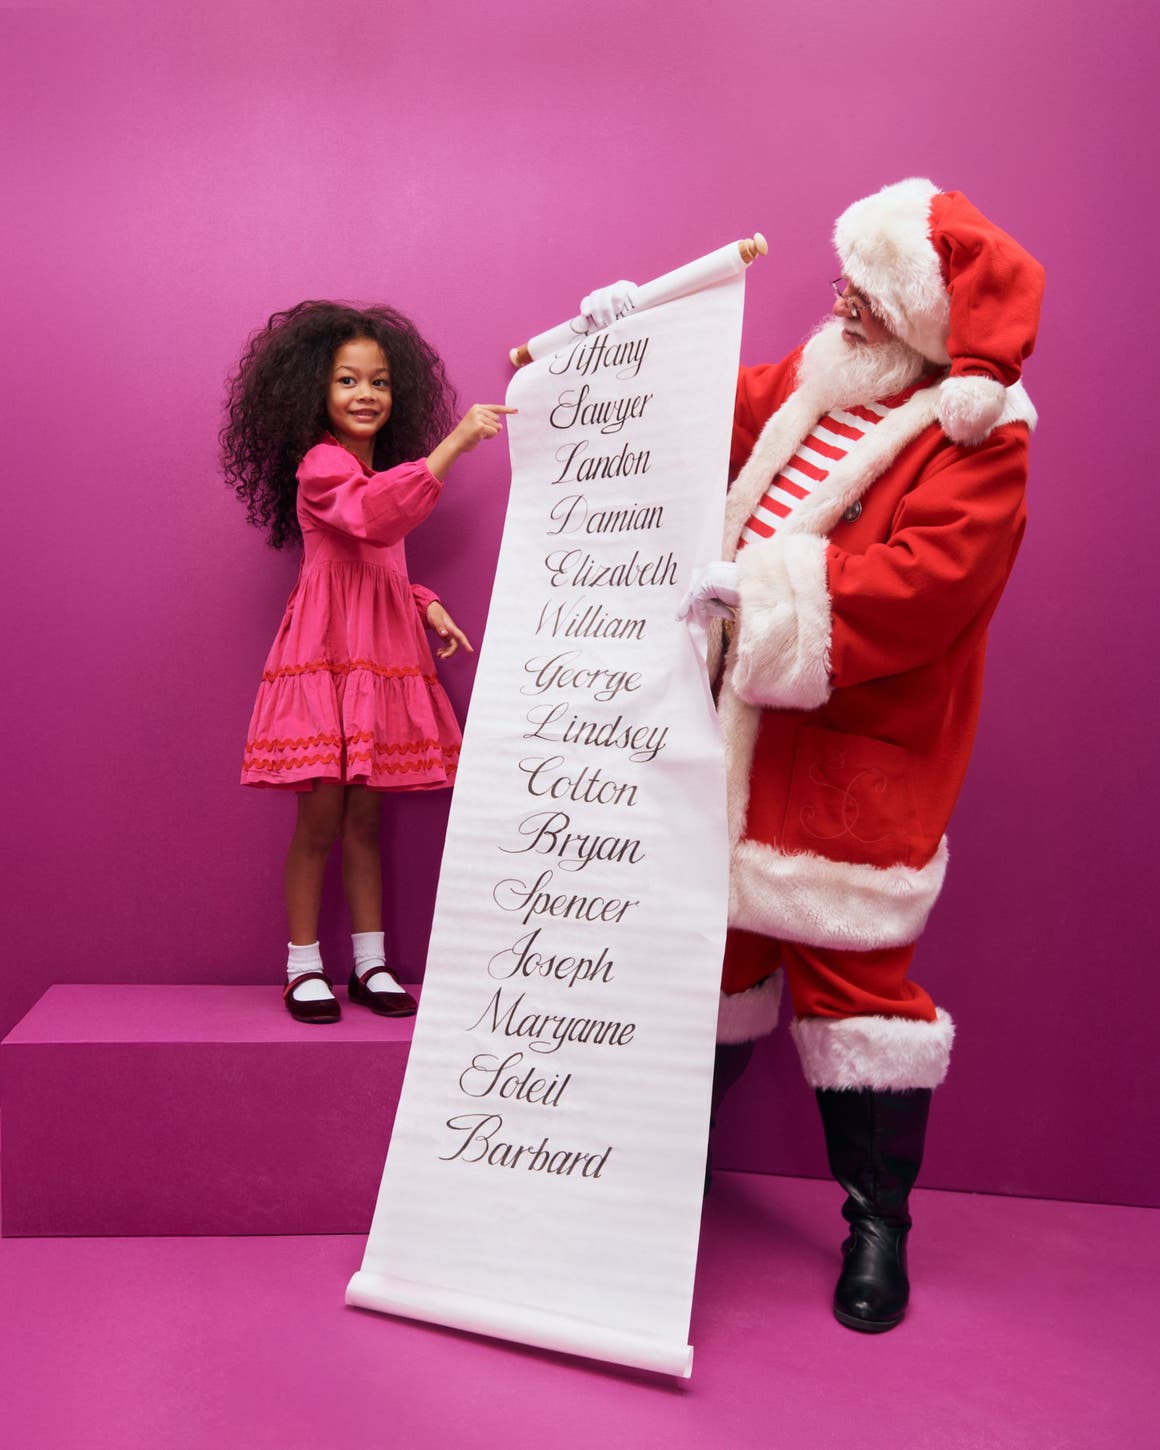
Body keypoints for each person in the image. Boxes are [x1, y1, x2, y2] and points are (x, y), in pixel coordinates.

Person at [584, 179, 1044, 1332]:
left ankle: (875, 1224)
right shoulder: (820, 376)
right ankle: (656, 1180)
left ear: (920, 319)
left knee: (857, 997)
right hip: (725, 742)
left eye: (867, 288)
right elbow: (717, 412)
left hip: (845, 762)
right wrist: (626, 345)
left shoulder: (977, 444)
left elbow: (928, 587)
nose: (839, 299)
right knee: (709, 965)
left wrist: (775, 590)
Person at [222, 300, 513, 1024]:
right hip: (327, 660)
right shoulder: (321, 464)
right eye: (348, 380)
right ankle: (302, 966)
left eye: (378, 382)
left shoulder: (371, 470)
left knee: (364, 823)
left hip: (376, 658)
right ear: (313, 391)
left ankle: (371, 962)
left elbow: (376, 554)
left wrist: (421, 601)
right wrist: (453, 445)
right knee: (319, 821)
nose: (365, 395)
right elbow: (369, 518)